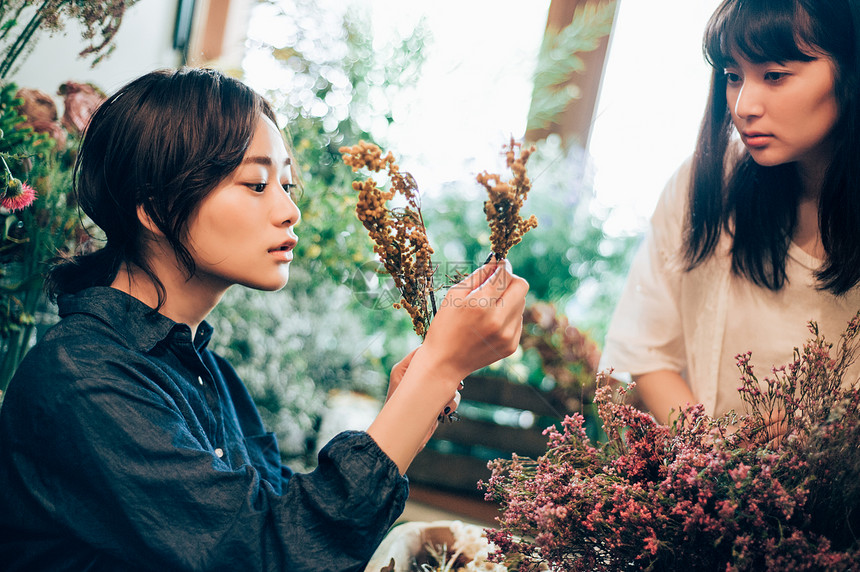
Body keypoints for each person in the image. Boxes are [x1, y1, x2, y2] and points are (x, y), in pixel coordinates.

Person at [0, 68, 529, 571]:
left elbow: (288, 521)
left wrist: (417, 397)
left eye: (288, 186)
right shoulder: (81, 377)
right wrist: (437, 367)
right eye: (257, 185)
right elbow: (274, 553)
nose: (289, 210)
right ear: (156, 207)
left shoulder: (208, 374)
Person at [600, 0, 860, 427]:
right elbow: (647, 350)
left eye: (774, 76)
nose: (743, 106)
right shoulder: (706, 183)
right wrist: (720, 462)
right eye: (732, 77)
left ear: (849, 72)